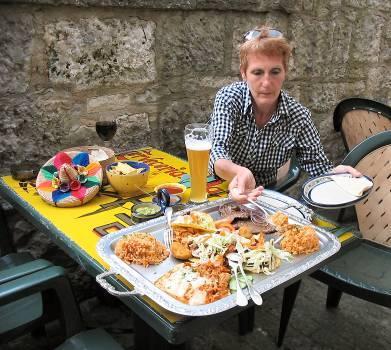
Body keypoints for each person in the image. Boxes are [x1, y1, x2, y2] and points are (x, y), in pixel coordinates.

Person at [209, 26, 361, 202]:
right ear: (244, 74)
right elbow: (217, 150)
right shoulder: (229, 98)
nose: (266, 82)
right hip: (216, 186)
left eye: (275, 72)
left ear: (285, 72)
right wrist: (240, 172)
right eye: (257, 72)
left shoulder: (298, 116)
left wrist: (337, 175)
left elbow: (317, 166)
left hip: (262, 195)